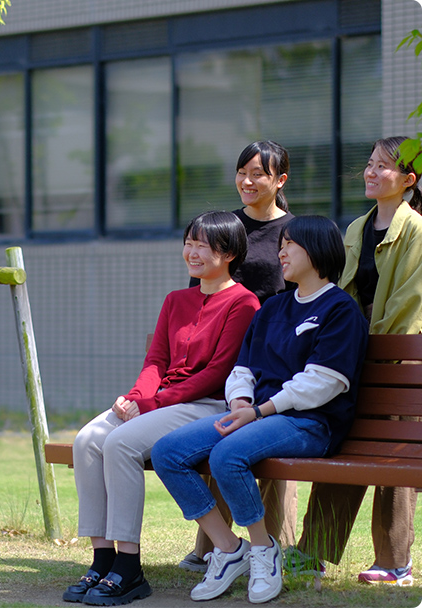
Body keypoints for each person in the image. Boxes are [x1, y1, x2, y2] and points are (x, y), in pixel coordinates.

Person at [152, 215, 369, 604]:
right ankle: (229, 548)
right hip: (257, 415)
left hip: (309, 423)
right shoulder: (274, 308)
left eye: (290, 244)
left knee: (228, 455)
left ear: (318, 250)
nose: (280, 252)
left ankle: (263, 551)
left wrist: (261, 410)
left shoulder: (340, 310)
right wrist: (239, 401)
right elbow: (242, 368)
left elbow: (323, 383)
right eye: (281, 243)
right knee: (168, 452)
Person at [62, 211, 259, 606]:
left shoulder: (244, 303)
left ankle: (129, 567)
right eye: (189, 242)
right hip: (160, 401)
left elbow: (218, 373)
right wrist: (136, 397)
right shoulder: (176, 300)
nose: (193, 251)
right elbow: (156, 361)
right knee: (87, 440)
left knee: (120, 444)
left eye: (204, 245)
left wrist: (151, 403)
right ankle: (103, 558)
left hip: (206, 406)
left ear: (231, 252)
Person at [285, 136, 422, 586]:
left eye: (383, 166)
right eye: (369, 163)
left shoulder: (417, 230)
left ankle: (394, 562)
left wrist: (370, 353)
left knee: (393, 459)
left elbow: (408, 305)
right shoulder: (355, 229)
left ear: (408, 179)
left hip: (398, 365)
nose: (370, 171)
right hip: (355, 359)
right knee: (343, 445)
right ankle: (315, 552)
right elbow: (343, 298)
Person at [183, 141, 297, 573]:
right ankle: (212, 546)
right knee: (219, 438)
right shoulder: (222, 227)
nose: (248, 181)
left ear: (279, 180)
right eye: (242, 172)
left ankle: (276, 546)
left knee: (268, 452)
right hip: (222, 356)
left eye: (259, 174)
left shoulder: (293, 230)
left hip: (274, 356)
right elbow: (200, 291)